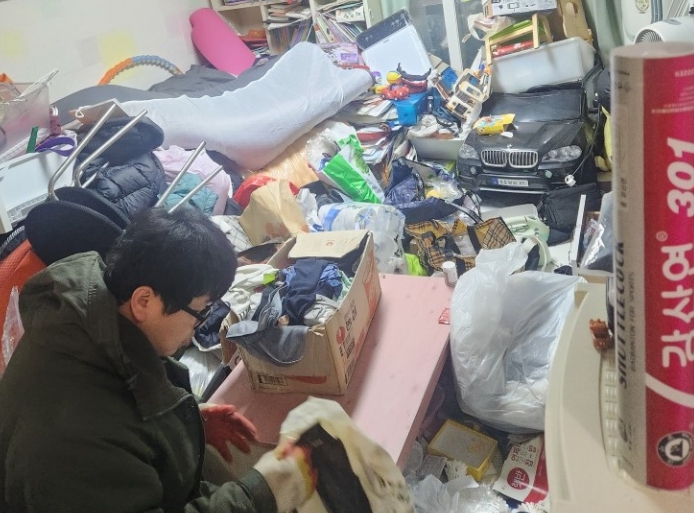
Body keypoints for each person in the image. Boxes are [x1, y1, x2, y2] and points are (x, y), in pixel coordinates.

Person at [0, 206, 315, 513]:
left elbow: (126, 408)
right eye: (201, 311)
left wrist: (182, 423)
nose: (199, 326)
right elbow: (106, 438)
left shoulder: (86, 321)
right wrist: (264, 493)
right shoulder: (78, 439)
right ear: (144, 301)